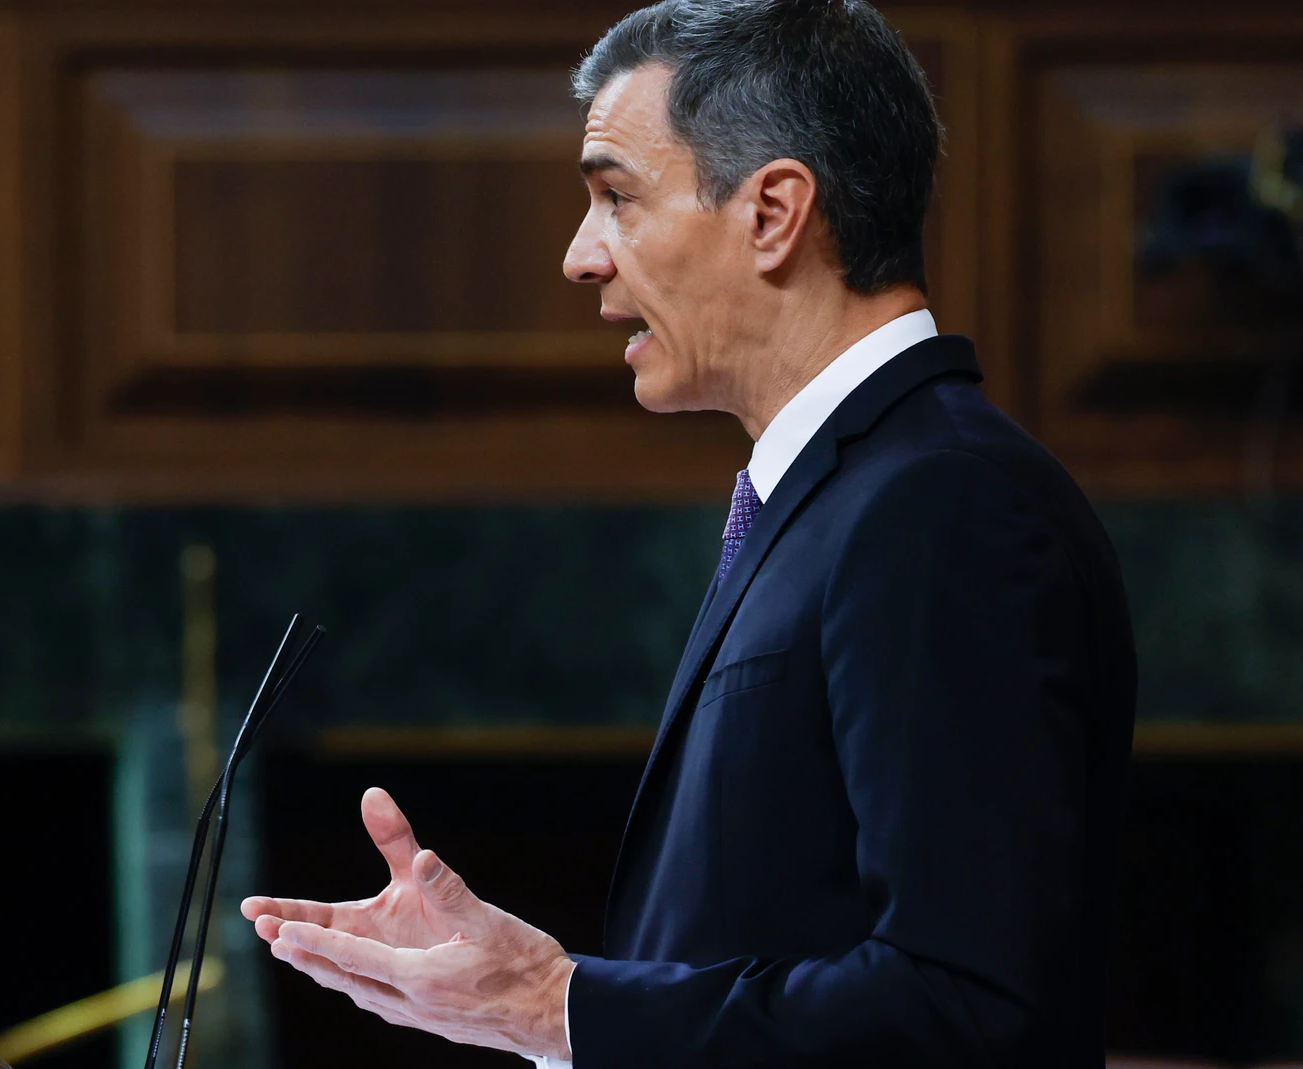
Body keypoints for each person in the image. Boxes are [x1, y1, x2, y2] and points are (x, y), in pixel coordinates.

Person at [240, 0, 1137, 1065]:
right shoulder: (841, 493)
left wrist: (558, 1005)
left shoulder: (943, 505)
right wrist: (536, 1007)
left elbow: (967, 1005)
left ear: (772, 212)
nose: (581, 257)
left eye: (616, 197)